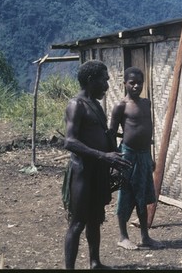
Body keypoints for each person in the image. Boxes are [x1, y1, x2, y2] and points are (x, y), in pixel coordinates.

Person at [63, 60, 131, 269]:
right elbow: (70, 141)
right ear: (91, 80)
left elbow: (101, 135)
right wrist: (103, 156)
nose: (107, 85)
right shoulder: (77, 105)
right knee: (78, 223)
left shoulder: (96, 105)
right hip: (82, 171)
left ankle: (95, 262)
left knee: (95, 218)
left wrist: (117, 153)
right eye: (104, 80)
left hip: (98, 171)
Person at [109, 66, 164, 250]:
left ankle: (145, 236)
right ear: (124, 83)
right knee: (126, 194)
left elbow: (146, 131)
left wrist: (150, 157)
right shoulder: (121, 106)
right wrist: (114, 159)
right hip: (127, 154)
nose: (136, 86)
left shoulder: (146, 103)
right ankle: (123, 236)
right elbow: (111, 133)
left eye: (139, 83)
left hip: (143, 155)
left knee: (143, 195)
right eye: (132, 83)